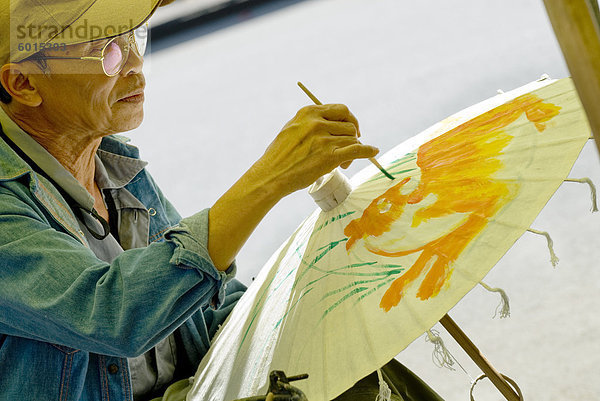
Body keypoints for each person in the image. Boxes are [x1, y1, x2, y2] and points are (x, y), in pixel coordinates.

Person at [0, 1, 443, 400]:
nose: (135, 65)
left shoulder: (114, 167)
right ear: (23, 83)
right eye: (106, 52)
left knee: (357, 372)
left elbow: (214, 309)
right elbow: (114, 313)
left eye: (136, 38)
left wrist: (333, 286)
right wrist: (269, 179)